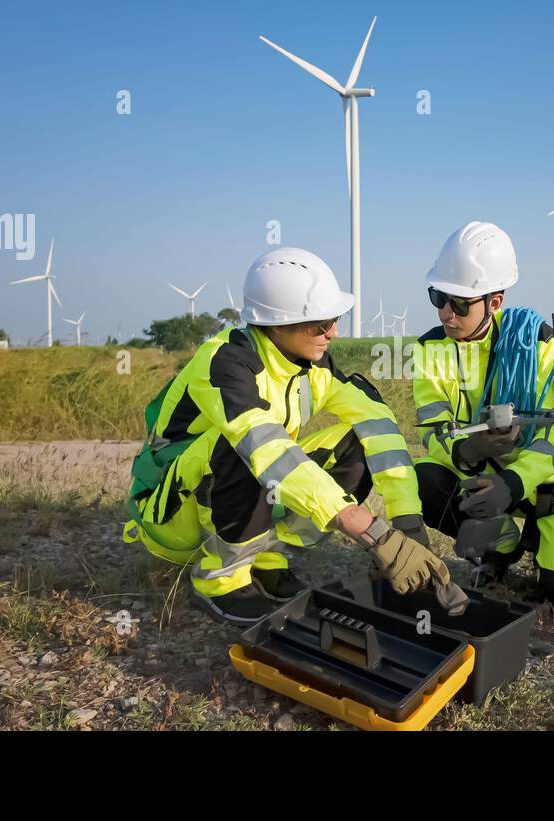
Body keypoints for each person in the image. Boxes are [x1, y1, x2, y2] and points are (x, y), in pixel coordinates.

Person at [123, 247, 462, 625]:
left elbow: (377, 423)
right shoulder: (225, 363)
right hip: (172, 513)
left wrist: (407, 521)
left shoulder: (312, 365)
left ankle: (267, 558)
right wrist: (371, 531)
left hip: (232, 491)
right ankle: (220, 579)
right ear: (275, 325)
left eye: (333, 319)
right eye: (320, 323)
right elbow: (263, 447)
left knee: (359, 443)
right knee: (247, 449)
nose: (333, 332)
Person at [411, 221, 554, 612]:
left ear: (495, 302)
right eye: (439, 297)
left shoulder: (537, 341)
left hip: (553, 479)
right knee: (423, 482)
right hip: (486, 476)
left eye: (461, 303)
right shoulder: (431, 349)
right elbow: (432, 429)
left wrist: (513, 483)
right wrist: (467, 450)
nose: (447, 314)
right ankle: (499, 547)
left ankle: (547, 535)